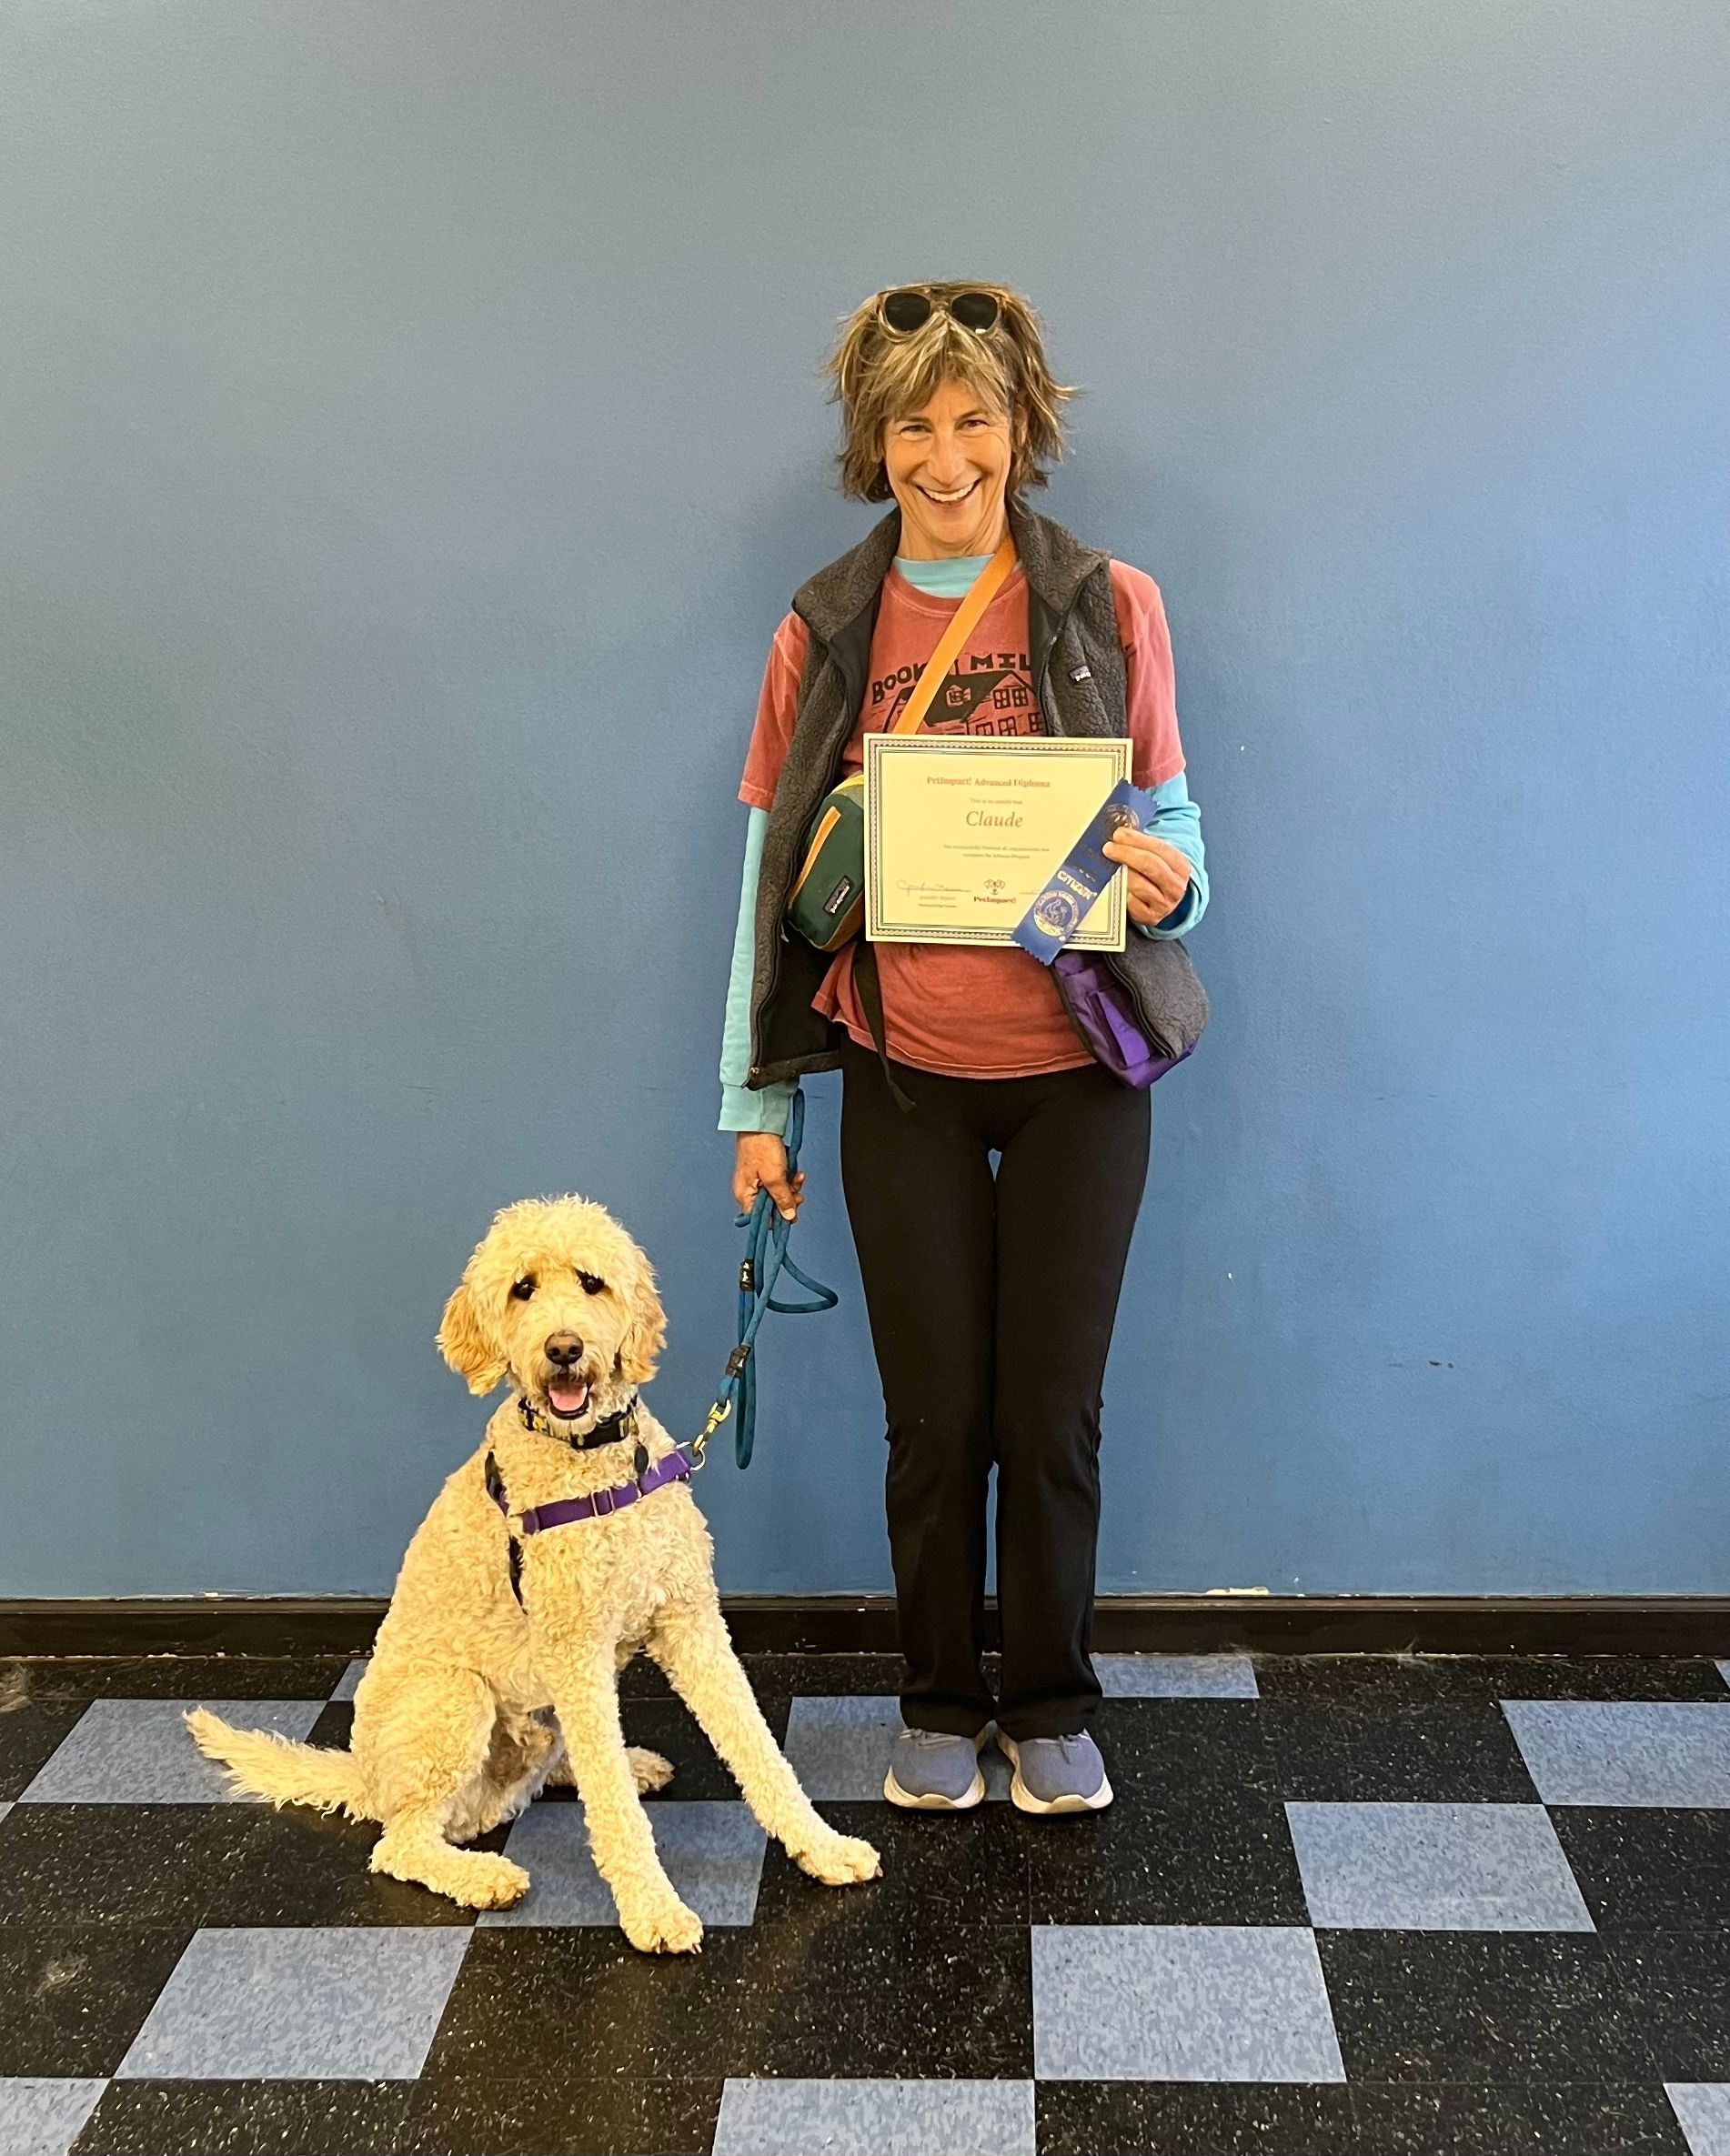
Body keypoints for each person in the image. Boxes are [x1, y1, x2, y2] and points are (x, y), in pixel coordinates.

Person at [717, 283, 1209, 1814]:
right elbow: (767, 884)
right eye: (912, 424)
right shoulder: (826, 626)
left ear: (1020, 428)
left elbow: (1173, 826)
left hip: (1076, 1076)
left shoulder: (1106, 602)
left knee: (1048, 1418)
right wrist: (756, 1105)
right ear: (876, 442)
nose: (945, 454)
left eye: (973, 419)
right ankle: (937, 1700)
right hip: (902, 1077)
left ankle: (1053, 1700)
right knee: (933, 1420)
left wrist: (1176, 878)